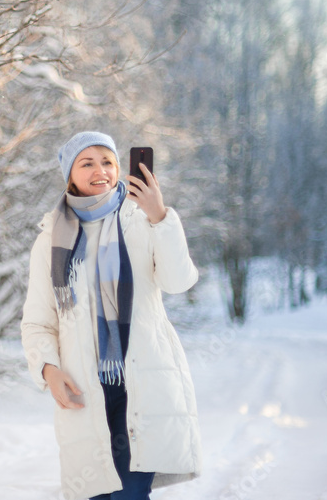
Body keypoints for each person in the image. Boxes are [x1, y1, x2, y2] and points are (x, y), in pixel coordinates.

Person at [21, 131, 202, 499]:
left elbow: (179, 281)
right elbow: (39, 321)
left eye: (107, 161)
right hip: (84, 389)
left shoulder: (143, 220)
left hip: (141, 384)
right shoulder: (51, 238)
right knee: (97, 493)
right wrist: (48, 369)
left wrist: (160, 216)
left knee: (130, 494)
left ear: (120, 167)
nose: (99, 170)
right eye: (86, 163)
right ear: (70, 174)